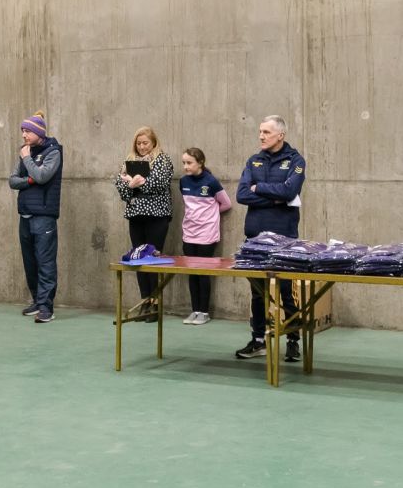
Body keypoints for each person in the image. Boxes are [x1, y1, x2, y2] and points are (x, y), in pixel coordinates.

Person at [234, 115, 305, 362]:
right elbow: (242, 195)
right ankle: (258, 340)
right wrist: (275, 197)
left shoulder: (296, 161)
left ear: (280, 135)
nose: (261, 136)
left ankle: (294, 341)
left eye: (266, 132)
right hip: (255, 237)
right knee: (257, 292)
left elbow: (290, 190)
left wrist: (260, 188)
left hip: (284, 237)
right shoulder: (253, 161)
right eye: (260, 131)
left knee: (286, 290)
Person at [114, 126, 174, 321]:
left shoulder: (162, 160)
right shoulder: (129, 161)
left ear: (153, 142)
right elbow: (121, 189)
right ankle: (144, 302)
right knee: (138, 258)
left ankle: (155, 304)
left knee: (153, 259)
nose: (141, 147)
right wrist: (131, 186)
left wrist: (133, 184)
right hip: (136, 216)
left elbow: (159, 183)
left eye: (145, 143)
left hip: (157, 216)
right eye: (138, 143)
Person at [9, 110, 64, 324]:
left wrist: (27, 161)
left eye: (27, 131)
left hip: (44, 217)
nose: (23, 135)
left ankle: (46, 307)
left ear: (38, 132)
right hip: (25, 215)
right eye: (22, 131)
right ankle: (36, 299)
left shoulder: (53, 152)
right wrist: (29, 181)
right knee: (29, 261)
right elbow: (13, 180)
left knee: (45, 262)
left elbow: (42, 176)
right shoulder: (25, 151)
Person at [178, 147, 232, 325]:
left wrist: (211, 216)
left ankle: (204, 312)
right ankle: (195, 310)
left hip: (206, 235)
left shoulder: (211, 182)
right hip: (189, 234)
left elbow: (226, 204)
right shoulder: (183, 182)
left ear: (200, 163)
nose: (185, 166)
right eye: (184, 162)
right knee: (192, 273)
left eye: (189, 163)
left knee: (203, 273)